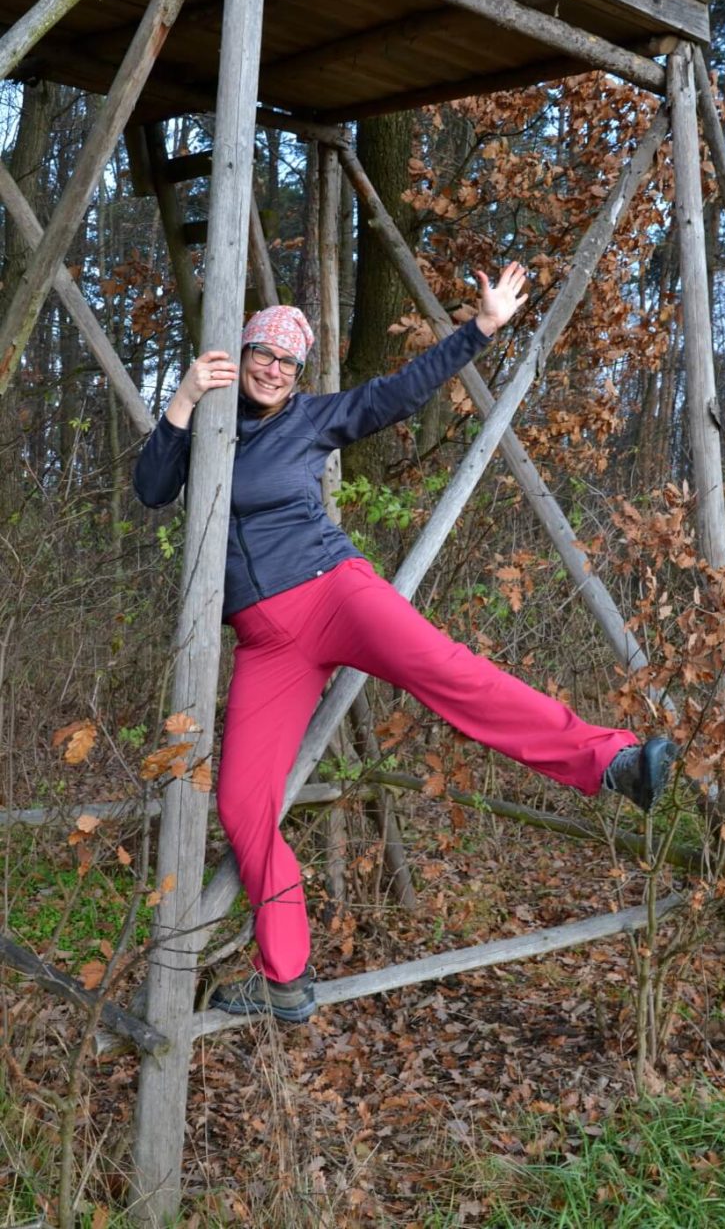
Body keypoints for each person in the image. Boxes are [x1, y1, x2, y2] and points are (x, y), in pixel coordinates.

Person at [133, 263, 677, 1024]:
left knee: (451, 675)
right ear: (242, 351)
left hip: (335, 592)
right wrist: (185, 399)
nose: (273, 368)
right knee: (241, 803)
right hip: (265, 643)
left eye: (288, 361)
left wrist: (478, 331)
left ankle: (613, 761)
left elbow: (398, 393)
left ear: (298, 374)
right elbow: (153, 488)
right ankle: (283, 976)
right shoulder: (211, 431)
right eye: (263, 353)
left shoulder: (311, 419)